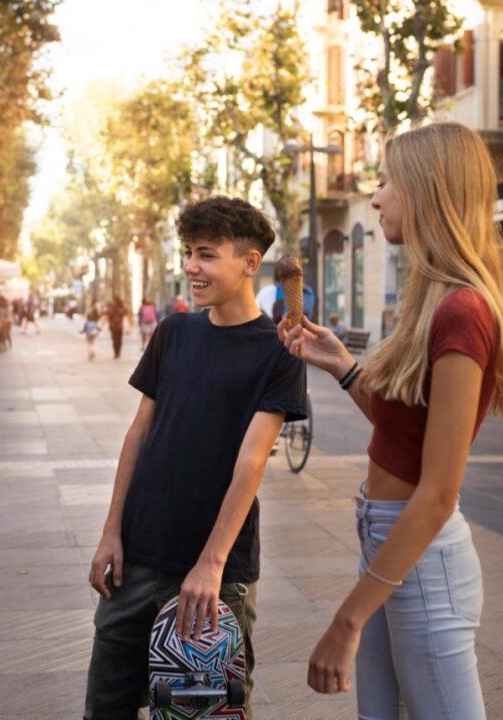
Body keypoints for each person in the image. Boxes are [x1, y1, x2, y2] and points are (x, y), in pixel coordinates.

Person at [279, 122, 503, 718]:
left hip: (421, 555)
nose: (375, 197)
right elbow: (403, 434)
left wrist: (348, 619)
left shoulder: (462, 310)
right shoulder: (431, 298)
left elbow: (439, 491)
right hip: (387, 542)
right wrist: (343, 367)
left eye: (386, 181)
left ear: (425, 189)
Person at [84, 196, 307, 719]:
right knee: (105, 708)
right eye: (188, 252)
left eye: (206, 254)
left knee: (204, 715)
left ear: (250, 263)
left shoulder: (279, 350)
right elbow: (140, 434)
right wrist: (110, 530)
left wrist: (210, 565)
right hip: (135, 560)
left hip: (216, 575)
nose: (190, 266)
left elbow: (251, 463)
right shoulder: (174, 332)